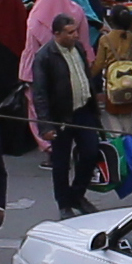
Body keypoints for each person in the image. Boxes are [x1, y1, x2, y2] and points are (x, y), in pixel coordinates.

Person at [30, 11, 102, 213]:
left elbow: (86, 77)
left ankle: (77, 195)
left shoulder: (78, 48)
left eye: (75, 31)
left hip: (83, 111)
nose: (75, 35)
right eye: (69, 32)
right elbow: (40, 94)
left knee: (90, 152)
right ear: (57, 34)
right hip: (61, 117)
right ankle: (64, 204)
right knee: (61, 163)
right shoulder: (44, 57)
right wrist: (45, 125)